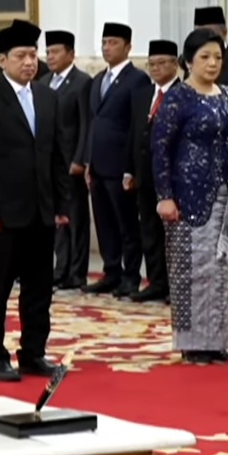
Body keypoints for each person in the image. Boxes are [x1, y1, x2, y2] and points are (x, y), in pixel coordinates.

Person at [0, 19, 69, 381]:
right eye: (21, 56)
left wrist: (61, 206)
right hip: (2, 215)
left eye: (33, 55)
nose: (29, 62)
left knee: (39, 289)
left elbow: (57, 155)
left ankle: (33, 353)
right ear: (3, 59)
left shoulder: (46, 96)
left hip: (41, 212)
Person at [152, 29, 228, 363]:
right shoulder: (179, 98)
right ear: (188, 61)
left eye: (218, 57)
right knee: (192, 270)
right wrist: (164, 195)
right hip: (188, 197)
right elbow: (159, 149)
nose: (212, 63)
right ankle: (192, 343)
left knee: (224, 271)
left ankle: (217, 341)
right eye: (205, 57)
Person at [83, 22, 151, 296]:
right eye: (104, 42)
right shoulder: (98, 79)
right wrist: (88, 160)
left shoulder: (138, 80)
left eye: (113, 42)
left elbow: (136, 126)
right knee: (104, 223)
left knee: (127, 224)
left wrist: (130, 167)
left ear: (128, 47)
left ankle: (130, 275)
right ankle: (110, 271)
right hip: (98, 164)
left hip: (120, 164)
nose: (107, 47)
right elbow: (92, 123)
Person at [123, 39, 181, 303]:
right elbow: (133, 133)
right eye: (152, 64)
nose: (156, 69)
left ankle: (175, 285)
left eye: (162, 63)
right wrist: (129, 170)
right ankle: (156, 281)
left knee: (174, 236)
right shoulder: (142, 94)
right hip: (145, 176)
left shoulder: (183, 94)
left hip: (174, 178)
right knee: (149, 231)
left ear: (176, 65)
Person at [40, 30, 92, 290]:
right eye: (48, 52)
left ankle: (76, 273)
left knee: (76, 219)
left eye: (56, 51)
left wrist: (81, 158)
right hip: (49, 162)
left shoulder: (82, 82)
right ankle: (60, 270)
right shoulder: (45, 81)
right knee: (57, 220)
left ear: (70, 54)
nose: (50, 56)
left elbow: (85, 124)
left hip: (71, 161)